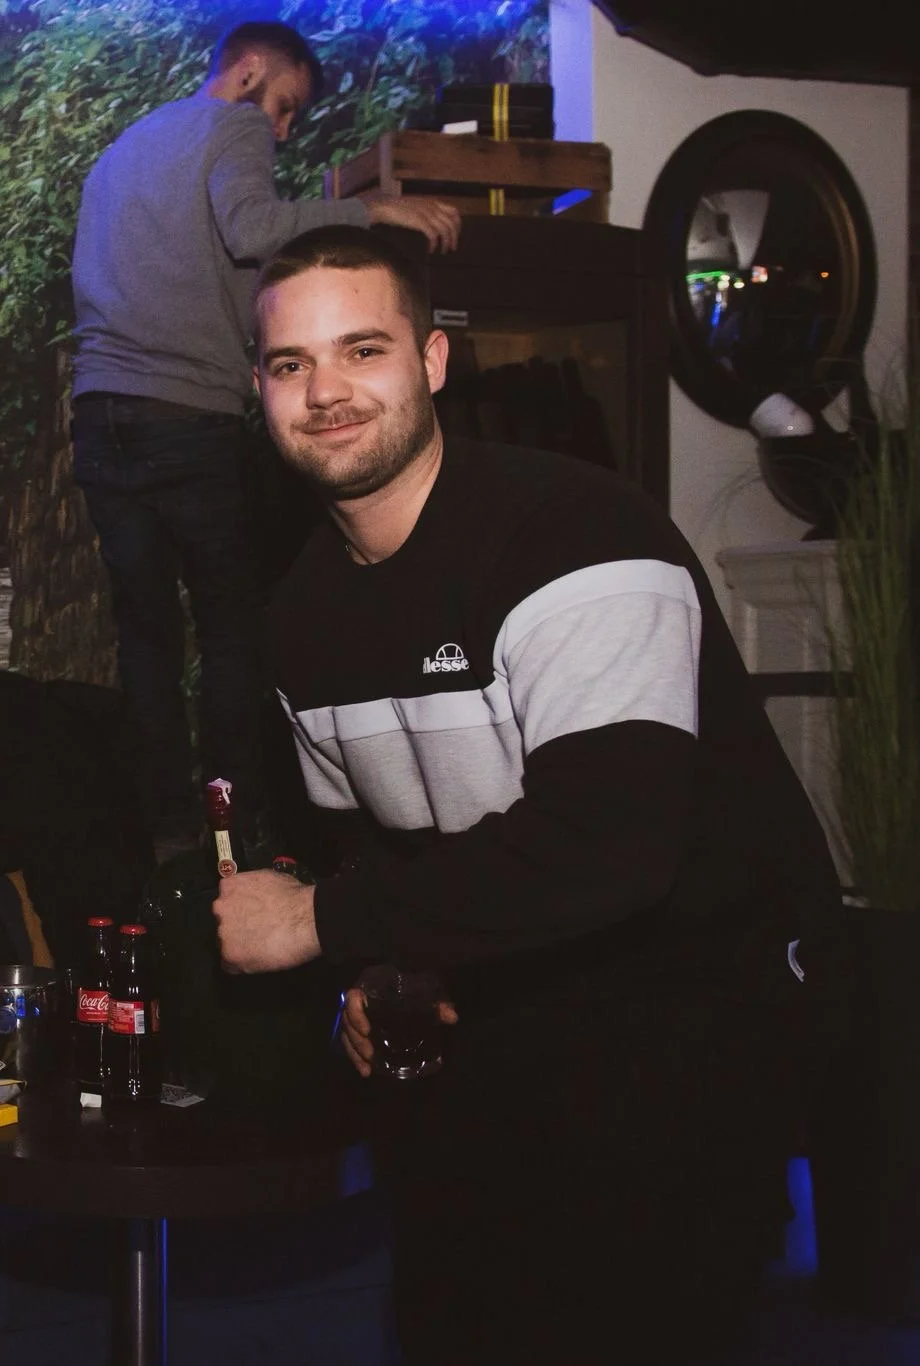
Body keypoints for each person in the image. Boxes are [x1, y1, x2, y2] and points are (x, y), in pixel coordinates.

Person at [212, 225, 834, 1363]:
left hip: (687, 1009)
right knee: (453, 1317)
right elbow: (380, 859)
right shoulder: (299, 618)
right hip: (499, 1011)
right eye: (290, 364)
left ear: (434, 361)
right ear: (256, 389)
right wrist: (379, 969)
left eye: (362, 349)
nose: (327, 392)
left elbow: (606, 844)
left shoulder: (573, 538)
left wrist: (314, 925)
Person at [71, 20, 461, 865]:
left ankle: (168, 831)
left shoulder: (125, 151)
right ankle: (240, 834)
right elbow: (253, 229)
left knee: (144, 636)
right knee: (231, 630)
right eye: (284, 105)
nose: (279, 128)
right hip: (185, 417)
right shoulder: (233, 125)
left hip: (101, 414)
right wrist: (374, 211)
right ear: (248, 72)